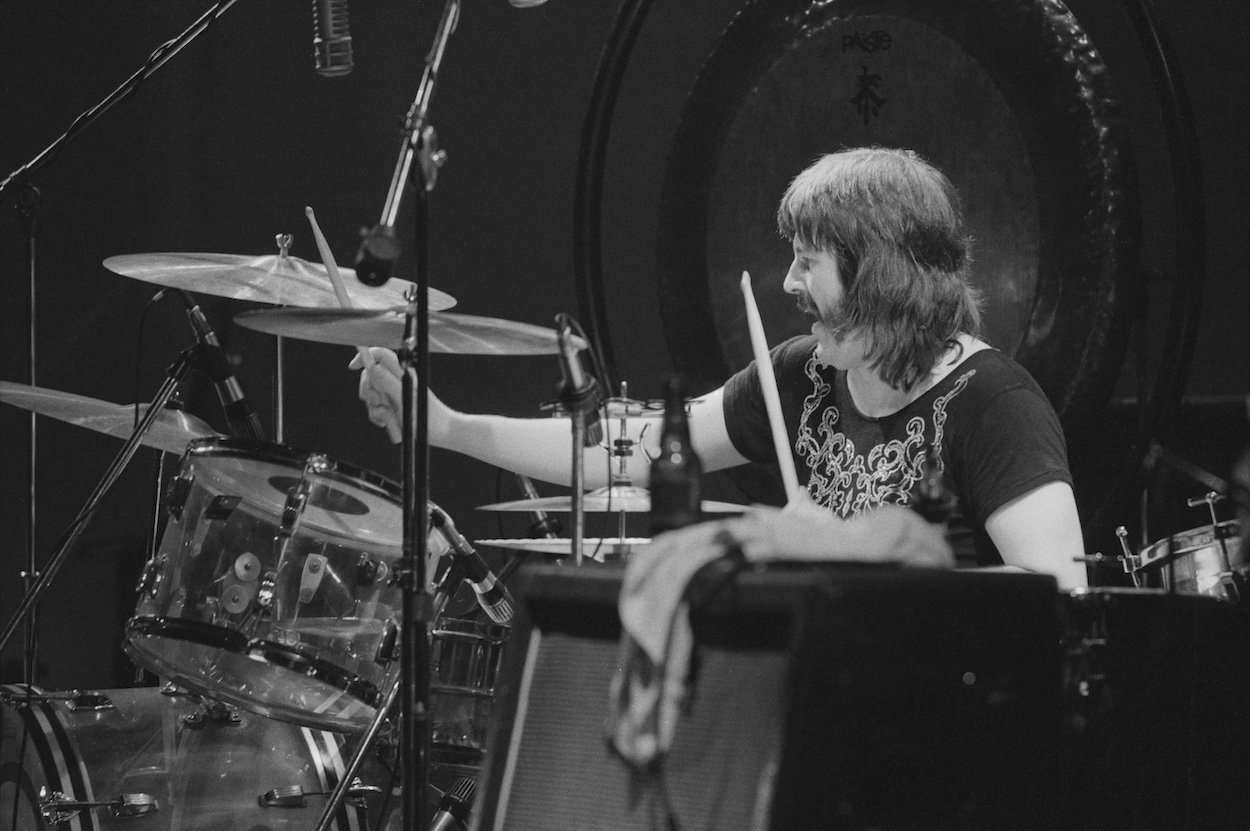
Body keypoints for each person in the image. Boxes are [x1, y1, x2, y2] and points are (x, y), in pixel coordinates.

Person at [353, 146, 1087, 589]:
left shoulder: (994, 405)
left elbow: (1062, 592)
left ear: (880, 278)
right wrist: (442, 425)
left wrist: (875, 576)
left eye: (808, 262)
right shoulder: (803, 379)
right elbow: (624, 453)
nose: (790, 284)